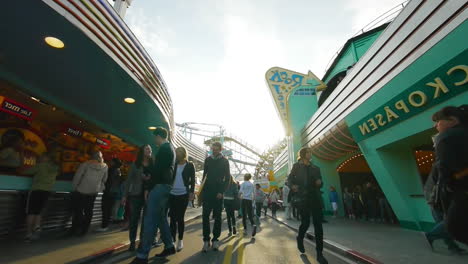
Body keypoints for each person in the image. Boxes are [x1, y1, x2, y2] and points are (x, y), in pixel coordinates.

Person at [131, 127, 177, 263]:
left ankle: (142, 255)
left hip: (159, 186)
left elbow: (157, 171)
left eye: (154, 136)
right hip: (166, 186)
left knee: (149, 219)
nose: (153, 139)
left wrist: (148, 188)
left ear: (158, 136)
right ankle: (169, 246)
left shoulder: (164, 149)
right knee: (161, 218)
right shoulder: (171, 149)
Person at [431, 105, 468, 245]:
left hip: (463, 193)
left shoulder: (446, 138)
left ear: (452, 120)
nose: (436, 126)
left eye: (438, 122)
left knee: (455, 227)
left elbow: (446, 170)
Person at [288, 147, 328, 264]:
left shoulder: (316, 168)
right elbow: (289, 179)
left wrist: (320, 183)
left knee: (318, 226)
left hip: (315, 198)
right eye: (309, 152)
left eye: (311, 152)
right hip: (303, 198)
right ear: (303, 154)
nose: (311, 154)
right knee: (305, 223)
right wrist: (292, 186)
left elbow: (321, 181)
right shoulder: (297, 166)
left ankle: (319, 254)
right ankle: (300, 238)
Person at [424, 163, 465, 253]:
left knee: (446, 227)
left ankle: (452, 247)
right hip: (440, 203)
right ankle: (430, 235)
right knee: (448, 224)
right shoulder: (444, 165)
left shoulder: (440, 165)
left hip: (436, 202)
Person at [122, 145, 153, 251]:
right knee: (134, 219)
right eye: (147, 149)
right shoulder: (136, 164)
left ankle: (142, 241)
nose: (149, 150)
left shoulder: (153, 164)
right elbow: (128, 180)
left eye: (150, 149)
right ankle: (132, 241)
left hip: (149, 196)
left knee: (145, 221)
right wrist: (124, 195)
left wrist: (149, 178)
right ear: (142, 152)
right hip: (135, 195)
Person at [70, 151, 108, 236]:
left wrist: (74, 187)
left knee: (78, 210)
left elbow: (77, 176)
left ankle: (75, 229)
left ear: (91, 156)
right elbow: (104, 179)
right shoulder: (105, 166)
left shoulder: (85, 164)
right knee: (89, 210)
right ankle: (85, 229)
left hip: (81, 190)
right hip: (93, 191)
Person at [201, 142, 230, 252]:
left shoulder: (225, 161)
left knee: (217, 217)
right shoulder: (208, 160)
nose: (215, 151)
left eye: (217, 149)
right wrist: (202, 192)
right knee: (205, 217)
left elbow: (227, 178)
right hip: (207, 193)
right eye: (213, 149)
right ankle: (206, 240)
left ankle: (215, 240)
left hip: (218, 194)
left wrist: (221, 191)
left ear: (221, 149)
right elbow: (204, 176)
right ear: (211, 149)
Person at [23, 152, 59, 242]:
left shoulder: (41, 166)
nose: (40, 157)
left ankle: (28, 234)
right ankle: (37, 227)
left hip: (36, 190)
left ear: (47, 158)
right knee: (38, 212)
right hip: (47, 192)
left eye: (42, 156)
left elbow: (26, 172)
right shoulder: (55, 168)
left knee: (31, 212)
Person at [169, 146, 195, 252]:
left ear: (184, 153)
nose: (177, 153)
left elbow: (193, 180)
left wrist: (192, 192)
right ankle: (172, 240)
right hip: (172, 193)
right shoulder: (173, 163)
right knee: (172, 218)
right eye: (176, 151)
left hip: (183, 194)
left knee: (180, 218)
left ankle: (180, 240)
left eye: (179, 152)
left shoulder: (190, 165)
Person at [97, 158, 122, 232]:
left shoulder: (111, 170)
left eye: (111, 161)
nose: (110, 162)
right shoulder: (118, 170)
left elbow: (107, 181)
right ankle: (105, 225)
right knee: (109, 209)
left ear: (114, 163)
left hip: (108, 192)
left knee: (105, 209)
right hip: (114, 193)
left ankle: (104, 226)